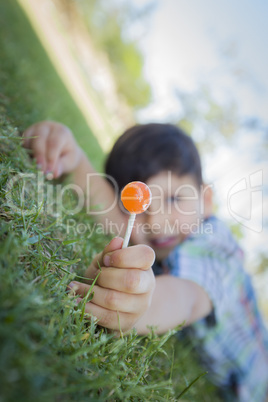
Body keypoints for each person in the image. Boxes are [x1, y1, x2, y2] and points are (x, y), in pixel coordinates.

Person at [23, 121, 268, 401]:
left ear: (206, 200)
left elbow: (185, 296)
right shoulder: (155, 237)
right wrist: (74, 158)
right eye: (139, 208)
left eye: (175, 199)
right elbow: (116, 217)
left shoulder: (213, 246)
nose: (157, 221)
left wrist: (141, 306)